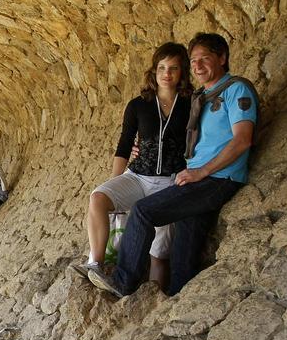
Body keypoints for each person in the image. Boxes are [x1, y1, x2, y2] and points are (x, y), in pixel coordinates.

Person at [89, 33, 257, 298]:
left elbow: (242, 140)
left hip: (215, 178)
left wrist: (201, 171)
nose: (199, 66)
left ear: (223, 58)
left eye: (205, 59)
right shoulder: (202, 97)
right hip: (195, 177)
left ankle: (123, 281)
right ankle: (179, 296)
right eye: (194, 61)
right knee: (185, 246)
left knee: (144, 212)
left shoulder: (236, 90)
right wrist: (141, 147)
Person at [73, 43, 193, 285]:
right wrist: (115, 180)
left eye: (173, 68)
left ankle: (153, 299)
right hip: (137, 177)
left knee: (159, 254)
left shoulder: (192, 104)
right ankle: (96, 263)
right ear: (154, 71)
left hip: (170, 182)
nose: (166, 74)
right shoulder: (139, 105)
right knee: (98, 198)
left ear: (182, 72)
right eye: (161, 68)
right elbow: (125, 145)